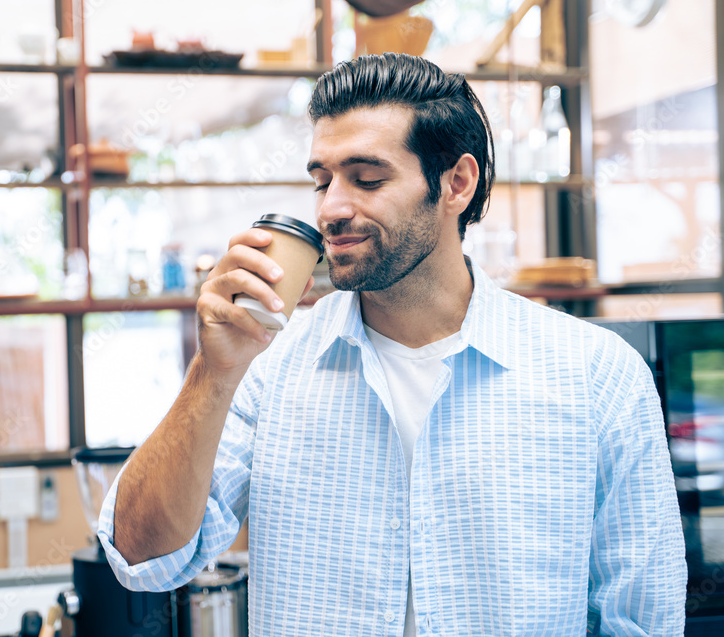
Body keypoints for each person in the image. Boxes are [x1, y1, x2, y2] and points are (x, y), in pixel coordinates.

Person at [97, 54, 686, 635]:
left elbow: (641, 619)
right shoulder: (265, 367)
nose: (331, 209)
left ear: (457, 183)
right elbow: (144, 560)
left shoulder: (598, 375)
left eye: (367, 179)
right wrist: (212, 370)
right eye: (322, 181)